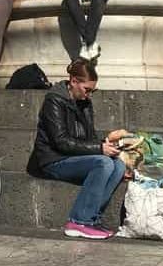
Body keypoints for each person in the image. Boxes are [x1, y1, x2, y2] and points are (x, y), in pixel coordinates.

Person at [26, 59, 129, 240]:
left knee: (118, 165)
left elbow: (87, 139)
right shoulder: (54, 101)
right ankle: (79, 221)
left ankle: (93, 218)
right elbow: (61, 142)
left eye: (92, 91)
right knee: (103, 163)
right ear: (73, 81)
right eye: (87, 89)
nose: (89, 95)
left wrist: (106, 142)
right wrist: (99, 148)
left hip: (73, 157)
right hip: (53, 159)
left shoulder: (84, 103)